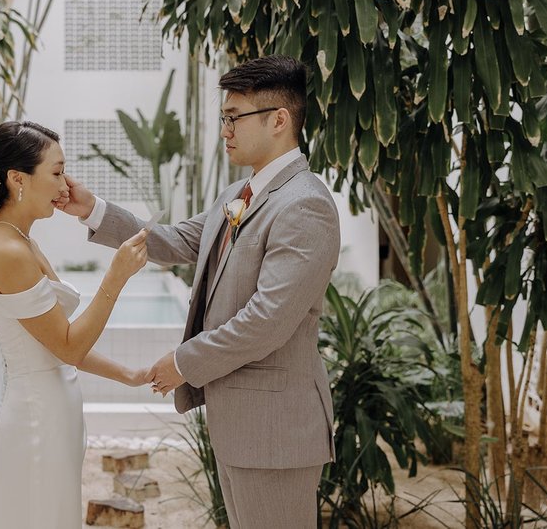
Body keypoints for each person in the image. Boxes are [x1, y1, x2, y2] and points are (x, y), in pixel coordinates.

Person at [62, 55, 341, 528]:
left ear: (279, 120)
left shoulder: (305, 204)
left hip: (276, 432)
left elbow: (266, 321)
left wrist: (183, 362)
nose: (225, 130)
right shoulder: (239, 193)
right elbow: (174, 240)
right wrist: (92, 209)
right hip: (242, 426)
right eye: (223, 119)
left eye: (235, 118)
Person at [0, 120, 149, 529]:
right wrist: (116, 276)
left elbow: (54, 344)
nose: (64, 185)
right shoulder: (5, 250)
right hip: (36, 418)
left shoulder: (22, 240)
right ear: (18, 179)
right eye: (56, 172)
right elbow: (68, 345)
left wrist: (128, 374)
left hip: (55, 410)